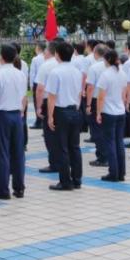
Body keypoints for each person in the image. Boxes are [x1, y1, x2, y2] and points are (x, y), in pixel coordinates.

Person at [0, 44, 28, 200]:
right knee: (18, 153)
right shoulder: (20, 74)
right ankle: (19, 188)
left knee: (2, 153)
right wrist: (21, 112)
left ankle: (3, 189)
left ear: (1, 56)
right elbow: (24, 97)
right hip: (17, 115)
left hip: (2, 116)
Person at [44, 39, 84, 191]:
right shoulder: (77, 71)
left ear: (57, 54)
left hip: (61, 112)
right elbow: (79, 92)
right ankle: (77, 179)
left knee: (62, 148)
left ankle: (65, 181)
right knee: (75, 147)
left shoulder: (55, 72)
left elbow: (52, 97)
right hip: (75, 110)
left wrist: (50, 116)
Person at [95, 48, 128, 182]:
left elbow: (101, 97)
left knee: (110, 143)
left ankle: (113, 173)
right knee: (119, 142)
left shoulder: (105, 75)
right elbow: (124, 94)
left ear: (108, 59)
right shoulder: (122, 73)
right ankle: (121, 172)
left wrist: (98, 113)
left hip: (109, 112)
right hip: (120, 111)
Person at [34, 43, 59, 174]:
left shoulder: (46, 65)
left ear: (49, 52)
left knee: (50, 135)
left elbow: (40, 89)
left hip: (48, 101)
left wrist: (38, 107)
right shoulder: (67, 64)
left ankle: (54, 163)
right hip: (66, 104)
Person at [85, 44, 109, 168]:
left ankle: (102, 157)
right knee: (107, 130)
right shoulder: (115, 66)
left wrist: (88, 104)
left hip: (96, 100)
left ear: (95, 53)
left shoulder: (94, 68)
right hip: (111, 100)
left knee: (97, 129)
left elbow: (90, 87)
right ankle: (109, 155)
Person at [29, 41, 46, 128]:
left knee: (37, 102)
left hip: (37, 82)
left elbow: (32, 73)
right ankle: (44, 120)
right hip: (46, 82)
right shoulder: (47, 58)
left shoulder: (35, 59)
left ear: (38, 48)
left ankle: (39, 121)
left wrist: (31, 85)